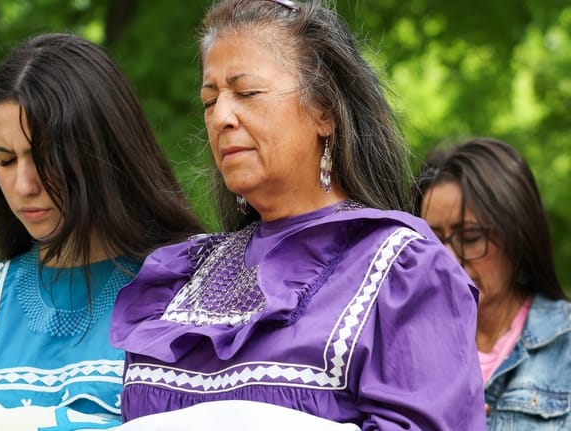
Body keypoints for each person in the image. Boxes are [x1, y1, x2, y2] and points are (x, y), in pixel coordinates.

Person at [110, 0, 487, 429]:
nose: (220, 117)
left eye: (247, 93)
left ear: (323, 110)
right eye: (209, 99)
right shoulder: (180, 275)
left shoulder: (403, 270)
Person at [0, 32, 203, 431]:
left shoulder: (192, 291)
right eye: (6, 160)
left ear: (103, 149)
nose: (24, 185)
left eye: (45, 156)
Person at [415, 137, 571, 430]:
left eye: (471, 237)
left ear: (517, 236)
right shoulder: (401, 349)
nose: (448, 259)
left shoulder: (565, 346)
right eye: (431, 240)